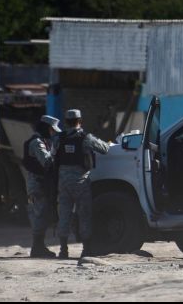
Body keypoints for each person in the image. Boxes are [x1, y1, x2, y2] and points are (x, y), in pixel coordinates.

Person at [53, 109, 112, 259]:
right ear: (80, 121)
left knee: (64, 214)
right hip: (80, 182)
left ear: (66, 122)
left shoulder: (58, 138)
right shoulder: (86, 138)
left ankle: (63, 250)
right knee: (84, 214)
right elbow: (105, 149)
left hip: (63, 182)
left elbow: (52, 156)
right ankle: (86, 249)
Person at [22, 115, 61, 258]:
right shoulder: (37, 143)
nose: (53, 133)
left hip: (41, 183)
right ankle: (37, 248)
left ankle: (39, 246)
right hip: (37, 184)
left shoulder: (42, 141)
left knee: (42, 213)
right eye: (51, 130)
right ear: (46, 128)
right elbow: (47, 162)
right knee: (39, 213)